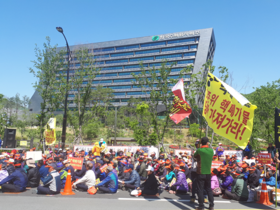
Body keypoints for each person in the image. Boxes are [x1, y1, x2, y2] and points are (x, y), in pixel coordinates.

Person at [194, 137, 214, 210]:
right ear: (208, 143)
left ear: (201, 143)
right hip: (208, 173)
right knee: (209, 189)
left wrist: (198, 146)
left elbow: (195, 156)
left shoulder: (199, 150)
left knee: (200, 189)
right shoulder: (211, 151)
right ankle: (211, 205)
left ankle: (201, 206)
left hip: (200, 172)